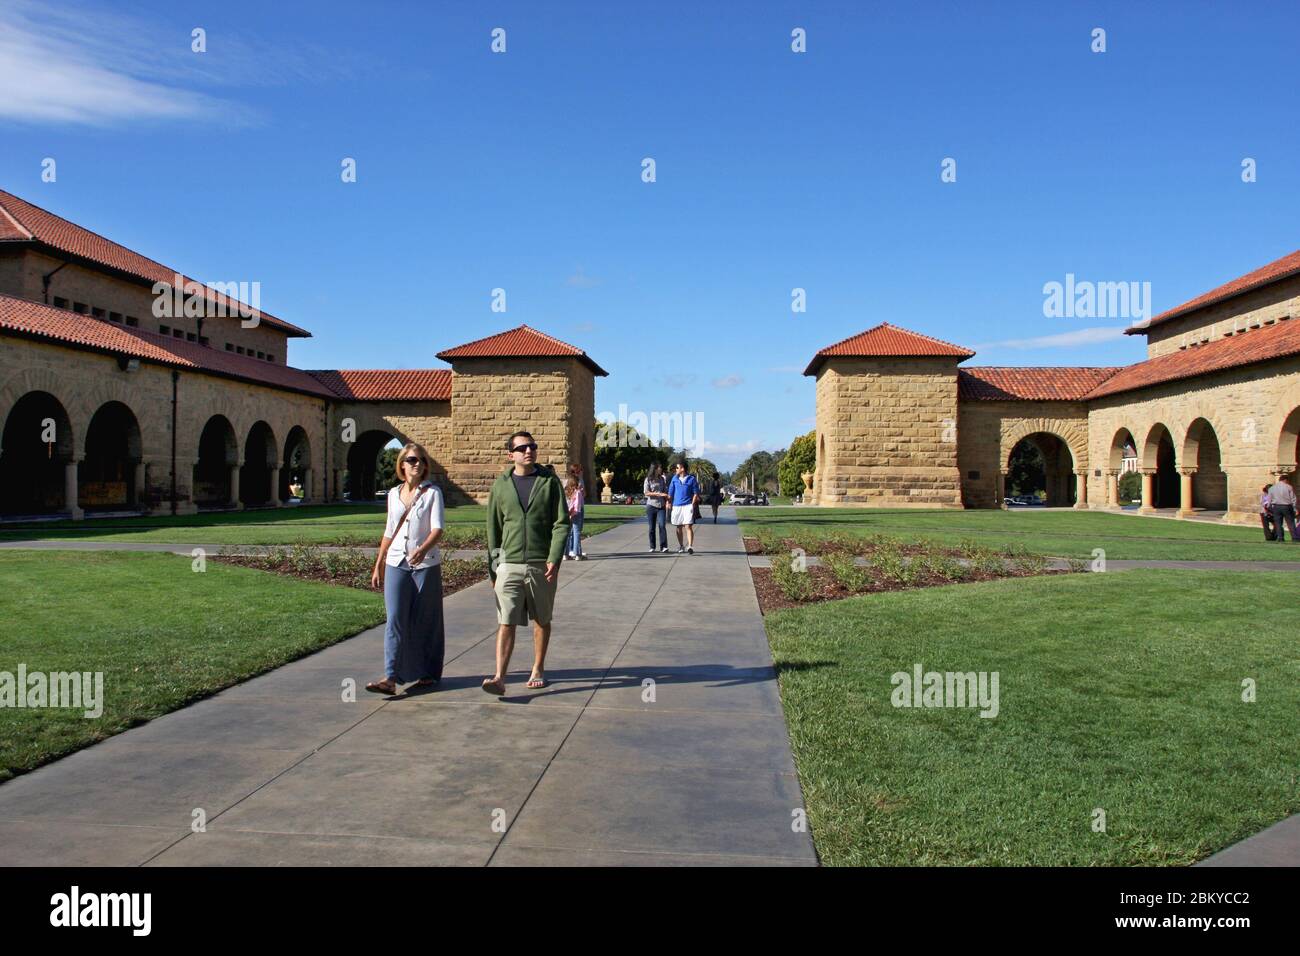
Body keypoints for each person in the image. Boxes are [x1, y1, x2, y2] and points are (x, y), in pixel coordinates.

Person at [482, 430, 570, 694]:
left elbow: (561, 523)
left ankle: (538, 667)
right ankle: (499, 677)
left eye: (532, 446)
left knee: (541, 619)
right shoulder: (500, 486)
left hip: (540, 563)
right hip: (508, 564)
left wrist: (554, 557)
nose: (529, 451)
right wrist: (493, 568)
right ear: (511, 455)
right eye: (522, 448)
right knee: (505, 620)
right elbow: (493, 529)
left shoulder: (549, 482)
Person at [366, 443, 445, 695]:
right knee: (395, 619)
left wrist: (422, 548)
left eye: (421, 460)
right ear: (402, 464)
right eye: (411, 460)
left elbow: (437, 528)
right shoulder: (393, 493)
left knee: (426, 621)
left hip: (426, 564)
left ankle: (428, 672)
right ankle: (390, 677)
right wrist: (379, 563)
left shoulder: (433, 493)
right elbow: (390, 530)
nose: (417, 464)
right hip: (396, 563)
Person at [667, 458, 700, 554]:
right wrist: (668, 502)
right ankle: (681, 546)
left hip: (687, 506)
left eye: (677, 468)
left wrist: (692, 505)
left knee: (688, 526)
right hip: (676, 506)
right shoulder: (674, 479)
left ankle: (690, 546)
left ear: (682, 468)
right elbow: (670, 492)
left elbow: (695, 493)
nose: (676, 469)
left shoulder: (692, 479)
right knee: (678, 527)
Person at [644, 462, 669, 552]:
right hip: (651, 506)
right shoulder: (648, 479)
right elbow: (646, 492)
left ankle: (664, 546)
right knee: (651, 528)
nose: (661, 469)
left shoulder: (662, 479)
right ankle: (652, 546)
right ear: (655, 469)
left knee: (662, 525)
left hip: (661, 506)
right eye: (659, 467)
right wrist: (658, 494)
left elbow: (665, 491)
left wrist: (667, 501)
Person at [1267, 474, 1297, 543]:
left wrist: (1269, 507)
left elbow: (1269, 499)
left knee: (1278, 523)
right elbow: (1293, 499)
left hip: (1276, 506)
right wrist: (1294, 508)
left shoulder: (1272, 488)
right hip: (1287, 506)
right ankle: (1294, 537)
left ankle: (1280, 537)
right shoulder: (1289, 487)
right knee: (1291, 523)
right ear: (1285, 480)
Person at [566, 462, 587, 560]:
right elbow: (580, 499)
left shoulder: (567, 486)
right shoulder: (578, 485)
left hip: (569, 511)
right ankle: (577, 553)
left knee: (568, 532)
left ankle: (566, 553)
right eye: (580, 470)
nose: (582, 471)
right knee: (577, 531)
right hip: (577, 511)